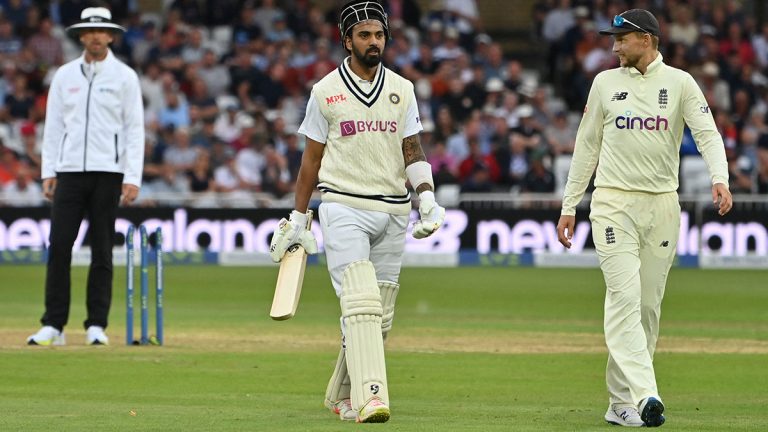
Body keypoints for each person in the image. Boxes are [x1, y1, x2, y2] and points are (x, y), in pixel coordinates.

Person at [269, 0, 445, 423]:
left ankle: (340, 393)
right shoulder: (325, 90)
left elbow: (412, 149)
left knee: (379, 315)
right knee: (360, 303)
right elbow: (311, 160)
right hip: (343, 204)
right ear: (346, 40)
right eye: (364, 35)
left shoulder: (402, 88)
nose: (373, 42)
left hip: (394, 209)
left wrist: (427, 196)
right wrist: (299, 216)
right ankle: (370, 398)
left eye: (379, 34)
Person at [556, 9, 732, 428]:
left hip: (662, 205)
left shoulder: (680, 82)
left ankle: (620, 403)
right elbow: (586, 147)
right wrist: (569, 204)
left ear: (648, 39)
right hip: (613, 202)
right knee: (624, 297)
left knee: (648, 307)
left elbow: (707, 133)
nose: (614, 46)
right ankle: (645, 393)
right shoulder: (604, 83)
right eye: (613, 40)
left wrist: (719, 178)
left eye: (622, 39)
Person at [27, 7, 144, 346]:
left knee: (103, 250)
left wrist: (132, 175)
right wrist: (49, 170)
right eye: (89, 32)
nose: (95, 36)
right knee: (59, 246)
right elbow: (54, 127)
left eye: (102, 31)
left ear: (110, 35)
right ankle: (54, 325)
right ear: (81, 35)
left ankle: (96, 325)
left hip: (109, 172)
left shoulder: (124, 77)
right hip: (69, 173)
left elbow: (134, 130)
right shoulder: (64, 76)